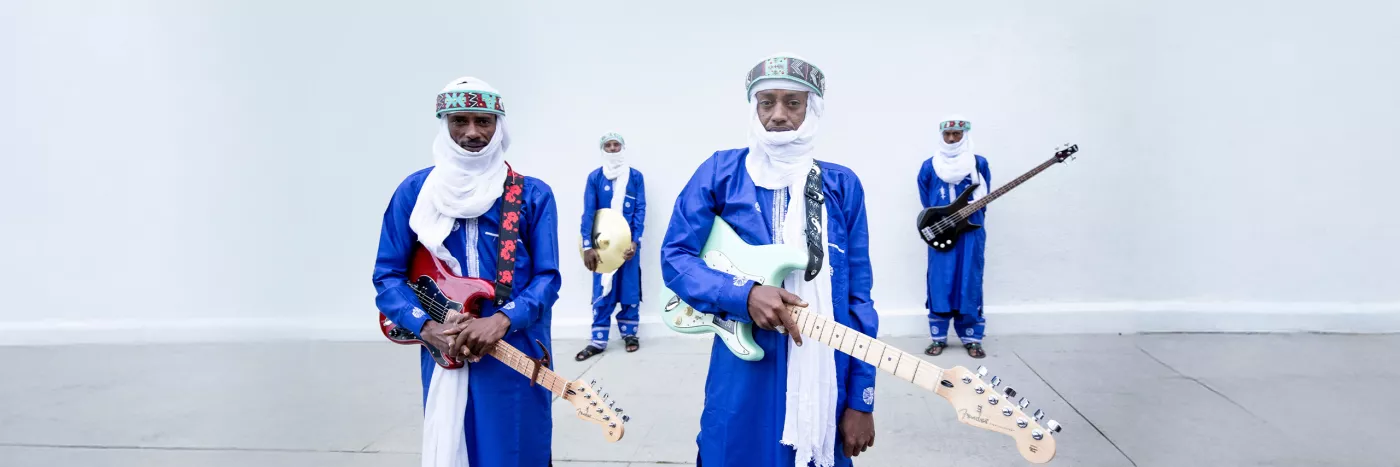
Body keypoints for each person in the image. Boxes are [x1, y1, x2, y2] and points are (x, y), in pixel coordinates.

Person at [660, 54, 878, 467]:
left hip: (826, 365)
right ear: (754, 108)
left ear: (811, 109)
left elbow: (859, 298)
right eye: (767, 102)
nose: (778, 115)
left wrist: (862, 399)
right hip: (743, 366)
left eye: (792, 103)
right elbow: (676, 258)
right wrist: (743, 295)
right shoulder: (721, 171)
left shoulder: (841, 184)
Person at [372, 76, 561, 467]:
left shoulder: (531, 194)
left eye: (483, 121)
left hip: (517, 347)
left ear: (498, 125)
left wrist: (503, 320)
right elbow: (387, 275)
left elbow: (548, 278)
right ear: (444, 124)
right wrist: (427, 328)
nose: (472, 133)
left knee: (517, 451)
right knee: (455, 447)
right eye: (460, 121)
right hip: (446, 347)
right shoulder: (416, 191)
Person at [918, 116, 991, 359]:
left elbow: (985, 198)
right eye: (947, 135)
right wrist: (945, 220)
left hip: (971, 233)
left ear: (964, 136)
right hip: (941, 231)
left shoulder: (978, 164)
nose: (951, 139)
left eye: (957, 135)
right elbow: (927, 202)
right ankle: (938, 337)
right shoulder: (929, 166)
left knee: (969, 279)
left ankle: (972, 338)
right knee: (940, 280)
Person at [577, 132, 647, 361]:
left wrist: (635, 242)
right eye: (608, 145)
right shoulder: (595, 178)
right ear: (602, 149)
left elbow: (639, 211)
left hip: (628, 247)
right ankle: (598, 340)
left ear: (623, 148)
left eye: (617, 144)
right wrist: (587, 245)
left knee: (629, 289)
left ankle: (630, 335)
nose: (613, 148)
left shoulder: (635, 177)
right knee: (602, 290)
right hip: (601, 246)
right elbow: (589, 212)